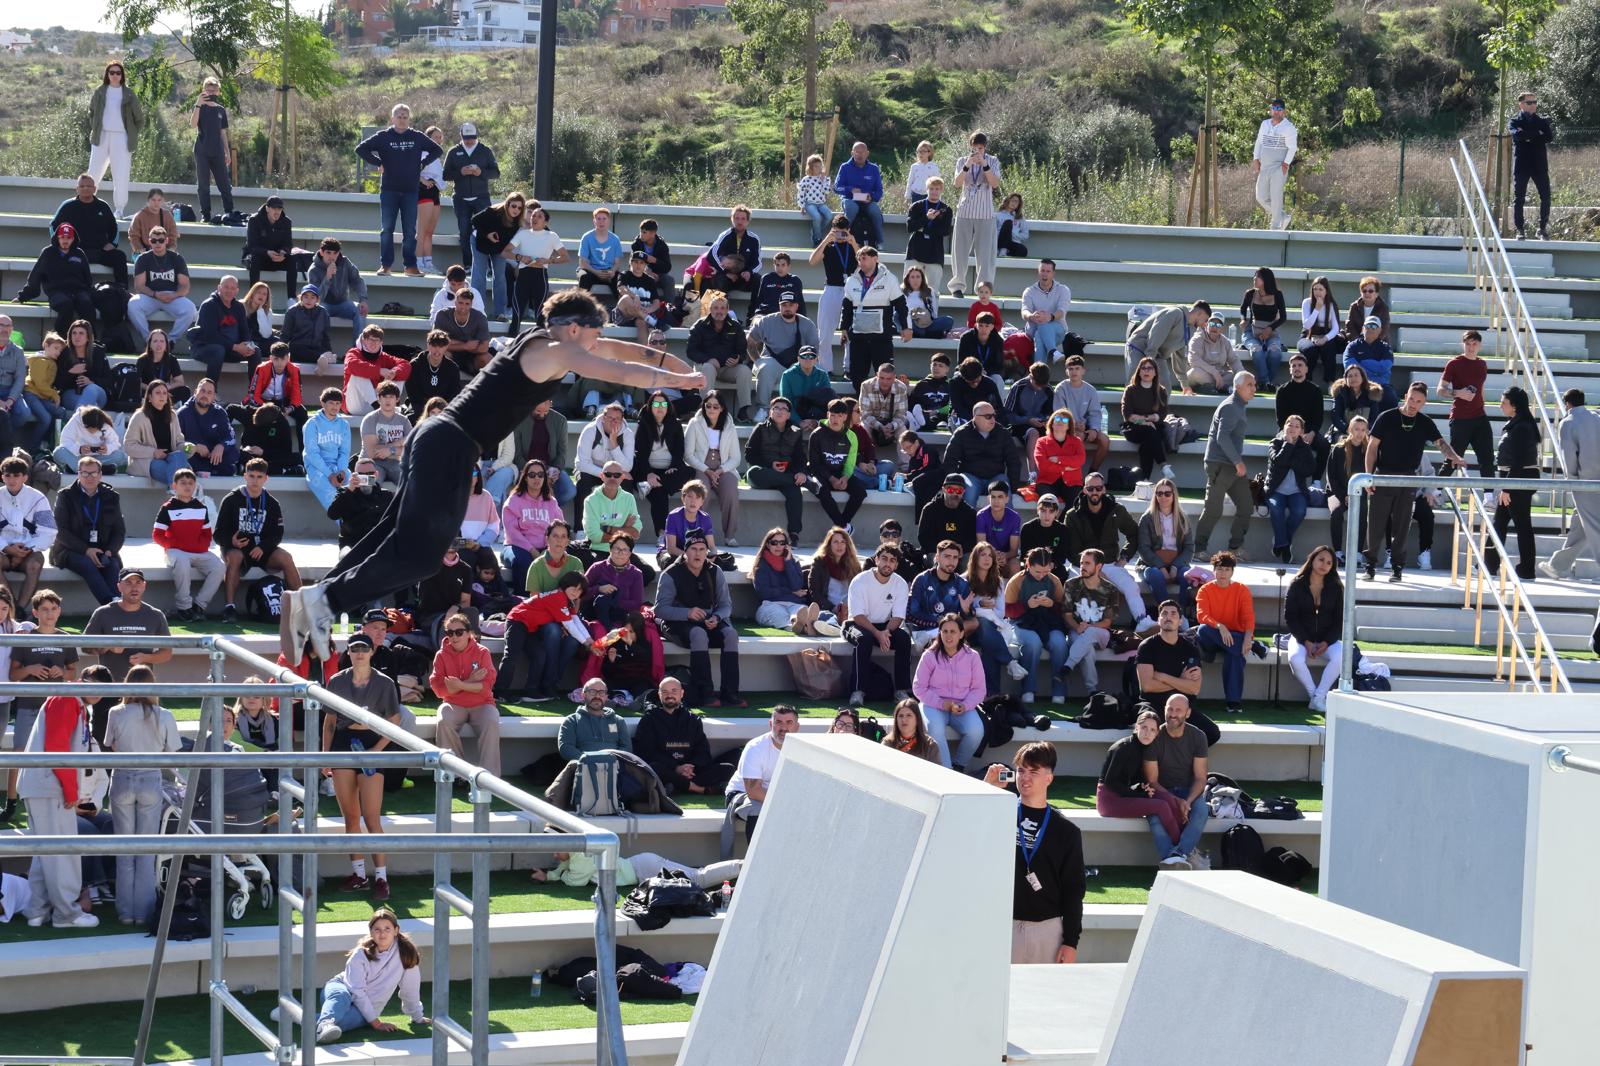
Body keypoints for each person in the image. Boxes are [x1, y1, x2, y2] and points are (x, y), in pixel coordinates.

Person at [282, 291, 705, 662]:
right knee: (421, 556)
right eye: (592, 336)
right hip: (451, 445)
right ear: (575, 329)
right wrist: (674, 382)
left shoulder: (545, 341)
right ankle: (323, 602)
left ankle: (314, 600)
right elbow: (619, 371)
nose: (595, 345)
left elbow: (622, 351)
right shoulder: (555, 349)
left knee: (392, 533)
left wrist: (681, 367)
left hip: (439, 438)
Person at [981, 740, 1085, 964]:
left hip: (1047, 929)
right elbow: (967, 835)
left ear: (1049, 777)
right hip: (1001, 925)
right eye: (1020, 770)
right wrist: (984, 790)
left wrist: (1070, 942)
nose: (1025, 777)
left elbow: (1074, 891)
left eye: (1034, 771)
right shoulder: (997, 812)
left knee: (1044, 998)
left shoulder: (1066, 831)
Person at [18, 674, 102, 930]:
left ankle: (36, 910)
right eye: (100, 689)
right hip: (50, 785)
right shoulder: (67, 699)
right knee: (63, 851)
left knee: (46, 851)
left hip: (41, 784)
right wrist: (70, 790)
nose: (100, 697)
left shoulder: (69, 699)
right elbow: (57, 747)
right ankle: (66, 914)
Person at [1364, 382, 1468, 582]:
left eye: (1418, 401)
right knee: (1376, 524)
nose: (1413, 404)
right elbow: (1372, 447)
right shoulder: (1386, 417)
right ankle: (1370, 566)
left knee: (1402, 527)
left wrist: (1455, 457)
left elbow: (1441, 444)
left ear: (1424, 403)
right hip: (1384, 476)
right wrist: (1369, 475)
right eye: (1411, 399)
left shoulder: (1424, 422)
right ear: (1406, 395)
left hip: (1409, 479)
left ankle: (1397, 568)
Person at [104, 664, 181, 926]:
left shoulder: (116, 712)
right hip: (150, 779)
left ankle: (125, 912)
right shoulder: (165, 714)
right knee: (147, 852)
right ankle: (143, 913)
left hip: (122, 778)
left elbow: (110, 744)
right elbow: (173, 750)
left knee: (124, 852)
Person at [3, 590, 79, 824]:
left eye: (54, 608)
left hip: (56, 707)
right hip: (28, 704)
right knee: (20, 754)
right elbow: (13, 673)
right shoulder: (24, 637)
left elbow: (72, 672)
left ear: (60, 611)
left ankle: (64, 796)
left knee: (59, 753)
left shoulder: (65, 637)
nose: (50, 613)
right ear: (35, 612)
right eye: (44, 609)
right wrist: (30, 669)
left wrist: (62, 673)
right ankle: (11, 802)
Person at [312, 909, 428, 1045]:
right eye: (377, 929)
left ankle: (294, 1015)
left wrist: (417, 1016)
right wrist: (376, 1023)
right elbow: (357, 991)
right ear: (371, 931)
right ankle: (324, 1024)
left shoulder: (406, 954)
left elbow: (410, 989)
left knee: (342, 1023)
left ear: (396, 930)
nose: (382, 933)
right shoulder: (360, 954)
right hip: (341, 987)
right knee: (340, 997)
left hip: (367, 1008)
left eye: (387, 928)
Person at [655, 532, 742, 707]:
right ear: (685, 552)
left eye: (702, 549)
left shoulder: (715, 571)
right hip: (677, 622)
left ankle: (730, 693)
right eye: (693, 549)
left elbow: (726, 605)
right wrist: (687, 613)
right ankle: (705, 693)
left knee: (731, 635)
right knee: (698, 634)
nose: (698, 553)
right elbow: (660, 609)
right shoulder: (671, 574)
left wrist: (717, 617)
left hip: (708, 619)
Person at [355, 105, 443, 277]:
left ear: (409, 119)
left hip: (410, 191)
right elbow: (360, 149)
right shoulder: (384, 136)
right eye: (399, 116)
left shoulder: (417, 136)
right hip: (389, 190)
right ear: (392, 118)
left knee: (409, 231)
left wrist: (422, 163)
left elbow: (437, 150)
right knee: (387, 229)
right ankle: (386, 265)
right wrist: (378, 162)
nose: (402, 119)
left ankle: (410, 266)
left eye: (405, 116)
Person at [1062, 472, 1156, 633]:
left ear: (1104, 489)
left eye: (1098, 488)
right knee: (1070, 589)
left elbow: (1134, 534)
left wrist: (1125, 557)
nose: (1095, 492)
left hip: (1110, 564)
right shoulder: (1072, 515)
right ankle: (1072, 626)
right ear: (1084, 490)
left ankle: (1142, 620)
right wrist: (1092, 570)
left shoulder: (1116, 510)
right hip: (1082, 566)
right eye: (1091, 488)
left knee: (1131, 586)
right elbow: (1071, 550)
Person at [215, 458, 301, 620]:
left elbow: (277, 534)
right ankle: (230, 607)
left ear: (266, 479)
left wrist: (263, 547)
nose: (255, 480)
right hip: (236, 549)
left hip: (261, 550)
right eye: (251, 476)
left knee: (286, 557)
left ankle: (300, 607)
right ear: (245, 476)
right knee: (235, 556)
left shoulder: (272, 503)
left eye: (259, 477)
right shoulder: (231, 500)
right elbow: (218, 534)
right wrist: (231, 542)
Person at [1094, 709, 1184, 849]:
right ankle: (1182, 849)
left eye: (1152, 730)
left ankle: (1183, 842)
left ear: (1157, 734)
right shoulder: (1123, 747)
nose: (1147, 733)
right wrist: (1138, 794)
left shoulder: (1145, 749)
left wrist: (1142, 787)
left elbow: (1133, 778)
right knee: (1161, 805)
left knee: (1168, 798)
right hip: (1109, 800)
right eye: (1144, 728)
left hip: (1124, 794)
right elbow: (1111, 782)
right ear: (1136, 727)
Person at [497, 571, 591, 702]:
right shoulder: (558, 596)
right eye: (573, 587)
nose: (576, 592)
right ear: (565, 585)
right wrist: (586, 643)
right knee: (512, 655)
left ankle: (530, 691)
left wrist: (590, 640)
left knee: (539, 655)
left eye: (580, 590)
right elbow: (569, 625)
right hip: (517, 621)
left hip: (530, 628)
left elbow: (575, 620)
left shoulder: (567, 601)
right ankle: (499, 692)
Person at [429, 612, 502, 777]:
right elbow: (439, 690)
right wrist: (471, 681)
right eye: (450, 632)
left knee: (491, 721)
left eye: (459, 632)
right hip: (453, 704)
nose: (454, 636)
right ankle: (457, 774)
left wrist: (459, 684)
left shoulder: (482, 652)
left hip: (482, 704)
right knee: (444, 720)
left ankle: (490, 779)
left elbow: (485, 688)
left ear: (469, 633)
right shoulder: (441, 655)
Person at [1142, 694, 1209, 868]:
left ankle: (1176, 857)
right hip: (1162, 791)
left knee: (1201, 809)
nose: (1173, 713)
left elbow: (1201, 778)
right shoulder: (1154, 736)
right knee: (1154, 816)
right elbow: (1152, 781)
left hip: (1189, 790)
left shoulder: (1198, 736)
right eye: (1169, 709)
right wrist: (1174, 800)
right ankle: (1178, 861)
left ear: (1187, 713)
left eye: (1178, 710)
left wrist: (1187, 801)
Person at [83, 569, 172, 699]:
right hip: (108, 687)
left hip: (142, 688)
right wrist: (109, 646)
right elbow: (85, 646)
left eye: (138, 582)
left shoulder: (155, 615)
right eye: (128, 583)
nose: (134, 587)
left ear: (144, 585)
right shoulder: (103, 613)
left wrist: (145, 658)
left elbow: (167, 653)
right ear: (119, 586)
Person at [631, 676, 728, 795]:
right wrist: (676, 768)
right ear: (659, 694)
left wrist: (691, 767)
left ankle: (676, 787)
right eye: (665, 692)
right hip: (666, 770)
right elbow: (646, 752)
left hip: (691, 773)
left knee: (727, 768)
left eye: (674, 691)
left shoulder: (693, 720)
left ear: (682, 693)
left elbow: (703, 751)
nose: (669, 695)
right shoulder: (649, 720)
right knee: (654, 768)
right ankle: (697, 789)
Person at [1195, 371, 1256, 558]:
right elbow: (1222, 437)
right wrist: (1238, 462)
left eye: (1254, 385)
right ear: (1238, 387)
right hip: (1220, 464)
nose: (1254, 389)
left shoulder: (1238, 406)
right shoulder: (1230, 406)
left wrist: (1237, 463)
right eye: (1250, 385)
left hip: (1231, 466)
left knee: (1246, 506)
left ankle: (1234, 548)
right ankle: (1198, 549)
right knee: (1213, 509)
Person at [913, 613, 985, 769]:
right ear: (939, 633)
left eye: (953, 631)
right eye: (944, 631)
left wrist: (965, 705)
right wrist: (941, 703)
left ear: (961, 634)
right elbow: (919, 688)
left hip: (963, 706)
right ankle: (947, 771)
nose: (948, 635)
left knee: (976, 731)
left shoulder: (973, 657)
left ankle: (959, 765)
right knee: (935, 730)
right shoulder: (929, 656)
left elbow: (979, 690)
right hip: (933, 705)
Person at [1542, 389, 1600, 582]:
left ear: (1567, 404)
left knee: (1593, 525)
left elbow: (1569, 455)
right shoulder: (1595, 417)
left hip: (1585, 481)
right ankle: (1558, 566)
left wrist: (1571, 480)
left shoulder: (1568, 422)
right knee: (1580, 524)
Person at [50, 456, 125, 605]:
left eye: (93, 473)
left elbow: (119, 531)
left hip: (103, 549)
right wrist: (86, 550)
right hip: (71, 550)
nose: (89, 477)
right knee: (87, 564)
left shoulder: (111, 496)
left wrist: (110, 550)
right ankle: (109, 604)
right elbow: (60, 531)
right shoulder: (65, 496)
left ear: (100, 475)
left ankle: (120, 604)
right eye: (85, 473)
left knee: (112, 565)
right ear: (78, 474)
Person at [1194, 552, 1262, 714]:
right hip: (1213, 636)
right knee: (1203, 629)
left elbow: (1248, 617)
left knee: (1235, 656)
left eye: (1226, 569)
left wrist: (1247, 636)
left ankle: (1233, 702)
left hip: (1234, 637)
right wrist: (1220, 626)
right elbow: (1201, 615)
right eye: (1219, 569)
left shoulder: (1241, 590)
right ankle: (1253, 646)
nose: (1222, 573)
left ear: (1232, 572)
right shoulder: (1205, 589)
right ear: (1213, 570)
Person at [1485, 385, 1542, 581]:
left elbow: (1518, 461)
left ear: (1514, 406)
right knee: (1501, 523)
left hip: (1517, 480)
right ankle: (1490, 564)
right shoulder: (1519, 424)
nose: (1500, 406)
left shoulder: (1521, 427)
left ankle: (1523, 569)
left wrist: (1507, 488)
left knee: (1519, 525)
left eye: (1504, 403)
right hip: (1515, 479)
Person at [845, 543, 913, 705]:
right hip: (855, 624)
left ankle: (901, 690)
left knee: (903, 639)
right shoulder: (860, 581)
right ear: (876, 560)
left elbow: (898, 617)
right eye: (884, 559)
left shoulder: (900, 583)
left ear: (896, 565)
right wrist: (878, 634)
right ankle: (858, 691)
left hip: (884, 626)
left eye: (892, 560)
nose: (887, 563)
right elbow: (858, 616)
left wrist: (885, 633)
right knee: (864, 638)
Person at [152, 467, 223, 622]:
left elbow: (206, 534)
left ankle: (199, 605)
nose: (187, 486)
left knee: (219, 566)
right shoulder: (167, 508)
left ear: (195, 486)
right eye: (183, 483)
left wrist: (199, 547)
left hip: (198, 551)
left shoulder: (200, 507)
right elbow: (157, 535)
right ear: (174, 486)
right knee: (183, 562)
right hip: (176, 552)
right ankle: (184, 607)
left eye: (191, 483)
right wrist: (177, 544)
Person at [725, 705, 799, 844]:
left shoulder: (803, 749)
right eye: (778, 722)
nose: (784, 728)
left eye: (789, 722)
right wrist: (784, 804)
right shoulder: (756, 748)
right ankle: (755, 862)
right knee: (758, 810)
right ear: (771, 724)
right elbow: (753, 791)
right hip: (741, 795)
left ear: (797, 727)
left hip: (778, 796)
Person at [838, 247, 909, 391]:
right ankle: (861, 410)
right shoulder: (852, 280)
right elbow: (846, 307)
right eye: (859, 259)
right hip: (858, 338)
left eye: (864, 258)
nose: (861, 262)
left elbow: (901, 305)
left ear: (875, 258)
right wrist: (844, 328)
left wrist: (906, 327)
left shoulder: (889, 279)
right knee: (857, 377)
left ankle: (885, 410)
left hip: (881, 339)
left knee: (886, 376)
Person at [1053, 547, 1120, 698]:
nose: (1082, 566)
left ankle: (1067, 666)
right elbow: (1067, 614)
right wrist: (1077, 627)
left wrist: (1088, 626)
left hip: (1100, 633)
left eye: (1087, 563)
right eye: (1082, 563)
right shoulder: (1071, 585)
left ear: (1099, 566)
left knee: (1090, 633)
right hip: (1077, 631)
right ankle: (1092, 692)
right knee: (1087, 650)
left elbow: (1107, 622)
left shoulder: (1110, 589)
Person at [1284, 545, 1344, 712]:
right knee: (1295, 659)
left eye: (1329, 562)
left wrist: (1327, 641)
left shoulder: (1336, 588)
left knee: (1342, 657)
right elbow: (1290, 617)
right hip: (1301, 638)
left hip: (1327, 640)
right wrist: (1306, 641)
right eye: (1321, 559)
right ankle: (1315, 697)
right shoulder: (1297, 584)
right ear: (1312, 560)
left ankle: (1318, 697)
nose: (1324, 564)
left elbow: (1340, 620)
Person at [744, 397, 808, 540]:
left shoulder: (795, 431)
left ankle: (794, 533)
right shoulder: (760, 428)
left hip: (785, 475)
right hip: (765, 474)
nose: (779, 411)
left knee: (795, 492)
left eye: (783, 409)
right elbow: (749, 454)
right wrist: (769, 465)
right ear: (770, 412)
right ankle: (793, 480)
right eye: (776, 408)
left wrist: (801, 472)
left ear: (789, 415)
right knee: (754, 473)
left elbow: (800, 457)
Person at [15, 225, 96, 335]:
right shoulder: (48, 253)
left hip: (78, 291)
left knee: (86, 304)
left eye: (68, 238)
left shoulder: (79, 253)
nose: (65, 240)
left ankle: (91, 341)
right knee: (67, 306)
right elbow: (35, 275)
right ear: (57, 238)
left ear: (73, 239)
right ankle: (59, 340)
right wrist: (23, 297)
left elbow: (88, 278)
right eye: (62, 237)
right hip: (57, 292)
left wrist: (88, 294)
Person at [1438, 329, 1495, 483]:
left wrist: (1482, 407)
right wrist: (1458, 393)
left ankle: (1489, 496)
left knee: (1487, 458)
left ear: (1480, 345)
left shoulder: (1482, 364)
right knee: (1453, 459)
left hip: (1480, 417)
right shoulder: (1454, 363)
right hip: (1460, 418)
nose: (1470, 347)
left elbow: (1480, 390)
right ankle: (1435, 491)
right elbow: (1440, 390)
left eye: (1474, 344)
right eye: (1467, 344)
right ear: (1463, 344)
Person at [52, 173, 129, 288]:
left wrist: (112, 244)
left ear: (94, 188)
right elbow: (53, 226)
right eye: (82, 186)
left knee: (120, 256)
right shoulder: (67, 206)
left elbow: (114, 227)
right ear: (77, 189)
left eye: (88, 186)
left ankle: (122, 289)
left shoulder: (103, 206)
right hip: (76, 251)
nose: (85, 188)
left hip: (100, 251)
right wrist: (60, 245)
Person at [748, 291, 820, 412]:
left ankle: (799, 411)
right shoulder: (766, 321)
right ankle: (763, 409)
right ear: (779, 306)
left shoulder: (807, 324)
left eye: (791, 305)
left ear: (797, 306)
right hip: (771, 362)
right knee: (765, 368)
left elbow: (814, 350)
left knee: (809, 369)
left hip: (797, 363)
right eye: (784, 305)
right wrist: (757, 361)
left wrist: (805, 364)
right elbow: (750, 340)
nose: (787, 308)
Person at [684, 392, 741, 542]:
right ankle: (697, 534)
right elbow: (688, 455)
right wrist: (707, 470)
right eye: (708, 406)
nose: (711, 409)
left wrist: (721, 470)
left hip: (724, 467)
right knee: (701, 492)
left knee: (731, 491)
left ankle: (730, 535)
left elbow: (736, 457)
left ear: (722, 408)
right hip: (701, 465)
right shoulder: (695, 423)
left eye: (715, 406)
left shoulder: (729, 425)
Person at [949, 132, 1000, 298]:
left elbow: (994, 184)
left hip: (985, 213)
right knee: (959, 252)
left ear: (985, 147)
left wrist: (984, 164)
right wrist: (967, 165)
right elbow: (956, 184)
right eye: (974, 147)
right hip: (965, 211)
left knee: (985, 255)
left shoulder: (992, 160)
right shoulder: (962, 161)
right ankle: (957, 287)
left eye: (980, 147)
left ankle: (984, 290)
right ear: (970, 146)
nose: (977, 150)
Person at [444, 121, 499, 275]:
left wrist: (480, 172)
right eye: (467, 138)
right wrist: (460, 172)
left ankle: (488, 266)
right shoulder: (454, 152)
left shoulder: (485, 151)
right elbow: (446, 174)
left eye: (472, 137)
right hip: (461, 199)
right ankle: (468, 265)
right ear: (461, 136)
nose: (469, 141)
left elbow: (496, 173)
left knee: (486, 230)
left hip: (482, 197)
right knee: (464, 232)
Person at [127, 227, 197, 345]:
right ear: (149, 242)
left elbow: (185, 286)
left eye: (161, 240)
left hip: (172, 296)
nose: (157, 243)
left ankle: (170, 341)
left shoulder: (176, 258)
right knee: (133, 304)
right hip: (150, 296)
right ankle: (148, 340)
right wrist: (155, 294)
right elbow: (139, 286)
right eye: (154, 241)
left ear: (167, 240)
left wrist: (174, 295)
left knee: (190, 309)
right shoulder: (143, 258)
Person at [944, 401, 1022, 509]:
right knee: (969, 494)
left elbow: (1014, 461)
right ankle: (966, 525)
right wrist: (952, 484)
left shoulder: (1002, 433)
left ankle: (1006, 526)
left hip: (996, 476)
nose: (993, 419)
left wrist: (1013, 488)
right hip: (970, 477)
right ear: (976, 417)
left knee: (1005, 493)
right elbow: (950, 460)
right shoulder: (961, 433)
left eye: (994, 415)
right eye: (988, 416)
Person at [808, 215, 859, 372]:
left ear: (848, 231)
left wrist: (853, 242)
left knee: (851, 332)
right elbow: (812, 261)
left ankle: (848, 369)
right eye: (836, 232)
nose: (839, 236)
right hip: (831, 288)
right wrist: (826, 240)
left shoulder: (853, 245)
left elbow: (867, 264)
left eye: (843, 233)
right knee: (825, 333)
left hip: (851, 290)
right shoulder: (829, 245)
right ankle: (825, 369)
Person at [0, 456, 51, 613]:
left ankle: (20, 610)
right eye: (8, 475)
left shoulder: (38, 498)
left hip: (28, 552)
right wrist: (7, 548)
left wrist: (24, 550)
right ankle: (10, 608)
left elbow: (48, 532)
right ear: (2, 477)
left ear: (25, 477)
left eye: (16, 475)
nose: (11, 479)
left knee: (35, 564)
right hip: (3, 552)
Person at [508, 202, 569, 331]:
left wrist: (548, 260)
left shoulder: (551, 236)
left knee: (540, 316)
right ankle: (511, 344)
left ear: (545, 222)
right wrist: (520, 257)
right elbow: (505, 252)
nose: (534, 218)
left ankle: (540, 344)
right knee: (517, 315)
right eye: (533, 215)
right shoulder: (523, 234)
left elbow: (565, 257)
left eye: (539, 216)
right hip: (523, 276)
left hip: (540, 276)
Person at [1266, 415, 1318, 562]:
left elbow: (1310, 469)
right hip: (1276, 489)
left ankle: (1281, 541)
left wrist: (1291, 461)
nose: (1292, 428)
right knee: (1276, 509)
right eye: (1290, 424)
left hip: (1297, 491)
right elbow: (1278, 463)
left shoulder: (1305, 447)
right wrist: (1288, 445)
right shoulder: (1275, 443)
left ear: (1302, 431)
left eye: (1297, 426)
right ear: (1284, 427)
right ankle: (1285, 545)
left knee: (1299, 511)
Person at [469, 191, 525, 321]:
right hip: (480, 240)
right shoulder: (493, 211)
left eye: (520, 207)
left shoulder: (517, 223)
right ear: (507, 204)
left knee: (500, 277)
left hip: (498, 247)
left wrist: (518, 258)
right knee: (479, 275)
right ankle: (477, 310)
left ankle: (500, 312)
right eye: (513, 206)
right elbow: (474, 220)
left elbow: (507, 242)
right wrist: (488, 234)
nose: (516, 210)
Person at [306, 238, 369, 349]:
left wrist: (363, 299)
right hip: (323, 304)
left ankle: (357, 351)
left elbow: (357, 280)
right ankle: (319, 350)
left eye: (335, 253)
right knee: (317, 312)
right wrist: (327, 277)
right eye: (328, 252)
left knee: (360, 311)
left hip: (343, 303)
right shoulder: (314, 269)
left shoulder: (345, 262)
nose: (332, 256)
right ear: (321, 252)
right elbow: (315, 298)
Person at [1127, 301, 1211, 385]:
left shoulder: (1187, 330)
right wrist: (1149, 360)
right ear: (1200, 313)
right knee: (1135, 382)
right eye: (1206, 320)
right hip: (1139, 347)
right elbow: (1157, 333)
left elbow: (1180, 356)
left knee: (1165, 386)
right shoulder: (1175, 313)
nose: (1205, 324)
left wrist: (1184, 384)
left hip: (1156, 355)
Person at [190, 274, 255, 382]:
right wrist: (235, 347)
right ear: (219, 287)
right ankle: (211, 392)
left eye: (232, 288)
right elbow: (210, 336)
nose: (229, 291)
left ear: (237, 291)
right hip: (203, 347)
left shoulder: (239, 307)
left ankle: (253, 393)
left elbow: (245, 331)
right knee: (218, 350)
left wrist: (247, 346)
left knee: (255, 350)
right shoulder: (209, 305)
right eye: (226, 287)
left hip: (229, 349)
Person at [123, 380, 188, 485]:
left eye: (164, 393)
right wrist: (153, 452)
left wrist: (188, 447)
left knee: (179, 456)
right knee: (180, 475)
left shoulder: (172, 415)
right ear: (149, 397)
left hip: (170, 459)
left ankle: (173, 493)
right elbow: (128, 446)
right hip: (148, 462)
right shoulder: (139, 417)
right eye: (158, 393)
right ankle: (181, 492)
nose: (162, 396)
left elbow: (179, 442)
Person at [1509, 90, 1553, 241]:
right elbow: (1517, 135)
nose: (1533, 105)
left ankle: (1542, 229)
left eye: (1535, 102)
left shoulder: (1542, 121)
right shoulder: (1514, 121)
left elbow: (1548, 137)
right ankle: (1520, 230)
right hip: (1521, 165)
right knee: (1519, 198)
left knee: (1546, 196)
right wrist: (1537, 134)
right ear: (1521, 104)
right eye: (1530, 102)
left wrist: (1528, 135)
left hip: (1539, 165)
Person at [1121, 356, 1173, 483]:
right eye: (1143, 368)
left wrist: (1148, 419)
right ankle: (1163, 464)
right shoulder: (1131, 390)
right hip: (1134, 428)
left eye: (1150, 368)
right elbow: (1127, 415)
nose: (1146, 371)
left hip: (1154, 429)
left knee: (1148, 443)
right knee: (1150, 433)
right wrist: (1145, 421)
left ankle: (1145, 480)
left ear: (1155, 372)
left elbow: (1162, 413)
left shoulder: (1161, 391)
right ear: (1139, 371)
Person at [342, 325, 412, 418]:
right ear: (363, 340)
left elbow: (406, 365)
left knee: (399, 376)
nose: (374, 343)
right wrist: (379, 371)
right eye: (371, 339)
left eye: (377, 340)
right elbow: (352, 365)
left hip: (379, 403)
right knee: (356, 374)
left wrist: (394, 372)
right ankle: (378, 407)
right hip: (356, 406)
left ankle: (388, 407)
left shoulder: (384, 356)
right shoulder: (353, 353)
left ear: (381, 342)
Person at [189, 76, 233, 220]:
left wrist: (227, 151)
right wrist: (198, 104)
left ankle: (229, 212)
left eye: (214, 90)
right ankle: (205, 214)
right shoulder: (200, 107)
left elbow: (223, 132)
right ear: (204, 91)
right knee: (203, 185)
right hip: (202, 150)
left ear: (218, 92)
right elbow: (193, 124)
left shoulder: (221, 110)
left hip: (218, 151)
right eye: (208, 90)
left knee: (224, 184)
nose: (211, 92)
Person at [177, 378, 240, 478]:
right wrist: (195, 447)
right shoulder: (182, 413)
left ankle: (212, 469)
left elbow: (231, 437)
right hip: (193, 456)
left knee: (231, 453)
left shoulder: (219, 412)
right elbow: (176, 444)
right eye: (202, 391)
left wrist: (221, 446)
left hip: (213, 456)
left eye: (209, 393)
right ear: (195, 392)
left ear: (214, 397)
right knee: (181, 456)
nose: (205, 395)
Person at [1326, 415, 1368, 561]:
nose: (1359, 433)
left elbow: (1369, 476)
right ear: (1350, 429)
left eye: (1363, 430)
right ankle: (1337, 552)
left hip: (1359, 493)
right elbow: (1331, 477)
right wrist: (1343, 495)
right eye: (1356, 429)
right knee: (1337, 512)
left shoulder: (1368, 451)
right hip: (1337, 492)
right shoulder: (1338, 449)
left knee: (1363, 511)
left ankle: (1358, 553)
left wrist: (1356, 494)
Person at [1251, 98, 1297, 231]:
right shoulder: (1264, 124)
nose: (1276, 112)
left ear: (1284, 112)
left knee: (1276, 197)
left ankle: (1275, 227)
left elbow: (1292, 148)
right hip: (1264, 167)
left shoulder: (1289, 128)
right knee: (1261, 197)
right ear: (1271, 110)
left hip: (1278, 167)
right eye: (1274, 108)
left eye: (1279, 109)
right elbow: (1259, 142)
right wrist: (1256, 158)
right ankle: (1282, 217)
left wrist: (1286, 163)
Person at [1239, 266, 1288, 389]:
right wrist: (1243, 319)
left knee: (1275, 352)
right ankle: (1266, 382)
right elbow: (1243, 308)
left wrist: (1270, 329)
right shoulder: (1250, 294)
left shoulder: (1277, 295)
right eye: (1255, 275)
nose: (1255, 278)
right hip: (1252, 330)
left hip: (1271, 330)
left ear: (1266, 279)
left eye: (1259, 276)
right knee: (1257, 350)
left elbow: (1283, 317)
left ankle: (1266, 383)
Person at [242, 196, 299, 301]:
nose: (277, 212)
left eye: (279, 209)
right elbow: (251, 246)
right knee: (255, 258)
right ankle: (253, 297)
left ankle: (291, 299)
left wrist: (283, 253)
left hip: (277, 259)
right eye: (274, 208)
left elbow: (288, 244)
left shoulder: (286, 222)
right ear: (267, 208)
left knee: (292, 259)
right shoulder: (254, 220)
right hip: (259, 258)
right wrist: (267, 252)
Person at [834, 142, 886, 247]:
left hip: (867, 201)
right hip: (849, 199)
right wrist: (850, 189)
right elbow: (836, 187)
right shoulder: (845, 167)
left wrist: (871, 196)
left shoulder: (874, 169)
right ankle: (842, 239)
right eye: (857, 152)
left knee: (875, 211)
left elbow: (879, 191)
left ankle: (880, 242)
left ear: (867, 153)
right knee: (852, 208)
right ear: (852, 153)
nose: (859, 155)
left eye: (862, 152)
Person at [360, 382, 411, 487]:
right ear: (379, 399)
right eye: (384, 396)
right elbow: (372, 452)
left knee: (412, 482)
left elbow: (410, 450)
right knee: (368, 486)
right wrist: (399, 443)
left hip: (395, 463)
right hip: (372, 463)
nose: (388, 400)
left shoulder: (404, 421)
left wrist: (390, 450)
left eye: (391, 397)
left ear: (397, 399)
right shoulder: (370, 419)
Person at [584, 460, 644, 549]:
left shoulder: (629, 498)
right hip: (599, 551)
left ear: (622, 477)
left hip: (624, 552)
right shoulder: (590, 500)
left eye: (617, 475)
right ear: (602, 476)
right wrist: (625, 528)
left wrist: (609, 529)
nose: (612, 478)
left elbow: (635, 533)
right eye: (608, 474)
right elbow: (595, 536)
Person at [1021, 260, 1071, 364]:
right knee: (1040, 330)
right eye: (1042, 270)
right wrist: (1031, 316)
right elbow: (1024, 311)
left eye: (1048, 271)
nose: (1045, 274)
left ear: (1053, 273)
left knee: (1040, 332)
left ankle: (1037, 376)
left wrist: (1050, 317)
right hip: (1033, 329)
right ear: (1038, 272)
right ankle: (1053, 352)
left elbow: (1062, 311)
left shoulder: (1063, 290)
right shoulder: (1029, 291)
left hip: (1057, 330)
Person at [1299, 276, 1346, 384]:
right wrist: (1317, 309)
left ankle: (1330, 382)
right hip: (1308, 334)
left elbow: (1335, 328)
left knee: (1329, 349)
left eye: (1320, 289)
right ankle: (1307, 381)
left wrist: (1325, 338)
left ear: (1326, 291)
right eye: (1315, 289)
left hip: (1326, 333)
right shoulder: (1307, 303)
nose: (1317, 292)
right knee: (1310, 350)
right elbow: (1306, 325)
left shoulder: (1331, 305)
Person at [977, 480, 1022, 575]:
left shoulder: (1015, 517)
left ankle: (1012, 590)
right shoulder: (981, 515)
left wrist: (1005, 556)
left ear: (1007, 499)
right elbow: (981, 546)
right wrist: (992, 556)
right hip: (987, 556)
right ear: (989, 498)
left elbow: (1014, 550)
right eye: (993, 497)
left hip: (1006, 557)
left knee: (1015, 564)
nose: (996, 501)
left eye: (1000, 497)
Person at [1344, 277, 1392, 347]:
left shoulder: (1383, 307)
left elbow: (1384, 328)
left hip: (1378, 342)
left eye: (1370, 291)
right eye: (1364, 291)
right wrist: (1357, 341)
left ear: (1376, 293)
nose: (1367, 293)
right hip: (1357, 341)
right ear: (1361, 293)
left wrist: (1373, 342)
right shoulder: (1354, 306)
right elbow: (1349, 326)